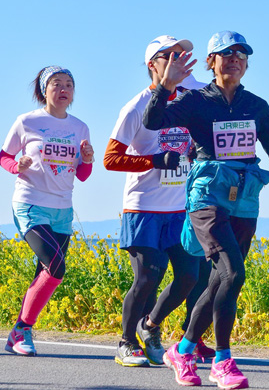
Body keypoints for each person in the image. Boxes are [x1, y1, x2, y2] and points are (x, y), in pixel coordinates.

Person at [143, 31, 269, 389]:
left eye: (242, 55)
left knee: (221, 280)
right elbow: (153, 121)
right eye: (226, 54)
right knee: (233, 273)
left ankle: (182, 350)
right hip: (207, 193)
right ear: (212, 62)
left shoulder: (256, 105)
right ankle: (223, 361)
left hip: (245, 195)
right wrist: (164, 86)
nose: (235, 59)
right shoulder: (195, 100)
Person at [103, 35, 214, 368]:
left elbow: (192, 144)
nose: (178, 60)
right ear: (153, 65)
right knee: (149, 274)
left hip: (179, 209)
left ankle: (149, 327)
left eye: (181, 55)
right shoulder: (136, 107)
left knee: (190, 276)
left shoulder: (187, 104)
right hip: (143, 207)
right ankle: (125, 342)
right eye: (169, 56)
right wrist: (154, 161)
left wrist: (193, 153)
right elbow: (110, 158)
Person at [0, 66, 94, 356]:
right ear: (44, 90)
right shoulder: (27, 122)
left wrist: (88, 159)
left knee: (45, 270)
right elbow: (4, 156)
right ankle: (24, 328)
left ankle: (18, 331)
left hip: (63, 208)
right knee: (56, 267)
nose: (63, 89)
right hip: (30, 202)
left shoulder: (79, 127)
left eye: (69, 84)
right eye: (56, 84)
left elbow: (82, 175)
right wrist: (18, 166)